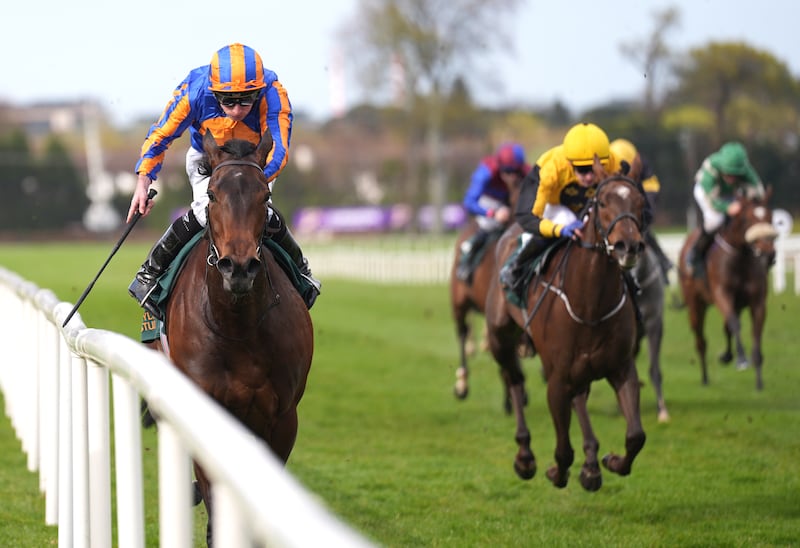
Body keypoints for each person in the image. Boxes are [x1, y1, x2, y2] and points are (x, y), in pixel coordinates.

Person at [127, 43, 321, 319]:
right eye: (227, 101)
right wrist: (144, 181)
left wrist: (249, 185)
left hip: (255, 161)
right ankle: (150, 272)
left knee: (260, 212)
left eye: (246, 99)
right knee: (204, 213)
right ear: (213, 91)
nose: (237, 109)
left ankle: (302, 272)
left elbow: (279, 149)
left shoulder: (274, 93)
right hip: (208, 159)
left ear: (258, 91)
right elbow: (160, 136)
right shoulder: (193, 92)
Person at [499, 122, 651, 296]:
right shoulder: (550, 169)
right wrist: (558, 229)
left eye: (594, 169)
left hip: (592, 204)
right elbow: (527, 216)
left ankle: (628, 279)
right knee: (567, 220)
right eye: (582, 170)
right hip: (556, 206)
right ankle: (517, 265)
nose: (589, 176)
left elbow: (635, 203)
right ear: (570, 163)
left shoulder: (616, 164)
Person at [685, 141, 765, 278]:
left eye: (735, 174)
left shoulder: (746, 170)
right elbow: (711, 199)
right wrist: (727, 207)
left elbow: (759, 191)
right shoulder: (710, 168)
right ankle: (695, 255)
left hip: (728, 193)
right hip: (706, 192)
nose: (731, 177)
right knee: (715, 220)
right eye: (728, 173)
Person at [456, 142, 530, 281]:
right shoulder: (486, 171)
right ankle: (469, 254)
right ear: (500, 167)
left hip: (510, 200)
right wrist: (492, 213)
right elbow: (469, 202)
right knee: (490, 225)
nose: (513, 177)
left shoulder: (527, 171)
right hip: (490, 201)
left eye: (516, 172)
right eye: (507, 171)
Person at [609, 138, 673, 284]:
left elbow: (651, 186)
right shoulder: (609, 164)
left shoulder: (640, 162)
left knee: (643, 230)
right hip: (623, 197)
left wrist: (644, 209)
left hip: (642, 192)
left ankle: (662, 262)